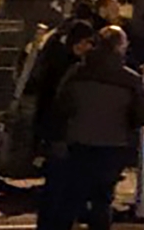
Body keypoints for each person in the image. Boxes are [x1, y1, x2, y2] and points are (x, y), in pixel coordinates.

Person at [35, 26, 144, 230]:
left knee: (70, 199)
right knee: (102, 203)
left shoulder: (78, 72)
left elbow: (61, 107)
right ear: (121, 47)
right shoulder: (129, 78)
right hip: (112, 146)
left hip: (78, 143)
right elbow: (143, 115)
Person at [32, 21, 96, 151]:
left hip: (49, 116)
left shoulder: (55, 54)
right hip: (57, 120)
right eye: (88, 42)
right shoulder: (66, 64)